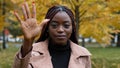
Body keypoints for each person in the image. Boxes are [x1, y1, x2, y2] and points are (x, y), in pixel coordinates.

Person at [13, 1, 91, 68]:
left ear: (72, 28)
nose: (60, 30)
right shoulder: (33, 52)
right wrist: (27, 41)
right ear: (47, 28)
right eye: (54, 25)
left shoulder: (83, 55)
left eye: (66, 25)